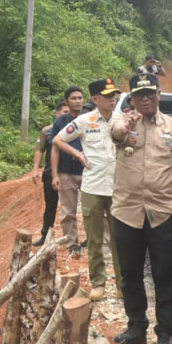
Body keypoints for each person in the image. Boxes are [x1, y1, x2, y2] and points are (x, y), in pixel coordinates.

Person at [109, 73, 172, 344]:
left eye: (150, 94)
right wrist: (126, 125)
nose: (145, 99)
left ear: (159, 95)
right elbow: (116, 134)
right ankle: (136, 327)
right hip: (126, 212)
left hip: (161, 213)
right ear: (132, 99)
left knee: (164, 274)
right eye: (139, 95)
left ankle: (166, 332)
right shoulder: (121, 120)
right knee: (130, 273)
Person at [52, 78, 124, 302]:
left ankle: (123, 285)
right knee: (94, 240)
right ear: (95, 99)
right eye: (108, 96)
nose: (112, 100)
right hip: (92, 187)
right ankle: (98, 283)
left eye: (114, 95)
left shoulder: (122, 120)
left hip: (118, 188)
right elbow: (57, 140)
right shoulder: (84, 121)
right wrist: (78, 155)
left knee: (120, 239)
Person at [50, 86, 86, 258]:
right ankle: (73, 245)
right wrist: (55, 174)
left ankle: (96, 242)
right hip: (66, 171)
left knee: (95, 210)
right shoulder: (61, 122)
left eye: (80, 98)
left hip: (88, 171)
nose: (78, 101)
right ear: (67, 101)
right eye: (74, 98)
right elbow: (55, 148)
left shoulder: (90, 119)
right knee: (68, 211)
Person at [31, 101, 68, 247]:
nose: (66, 114)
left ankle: (70, 238)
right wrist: (35, 169)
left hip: (69, 173)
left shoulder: (75, 128)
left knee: (69, 208)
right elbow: (39, 150)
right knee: (50, 205)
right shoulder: (47, 131)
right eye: (64, 112)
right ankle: (45, 236)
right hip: (49, 173)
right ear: (57, 113)